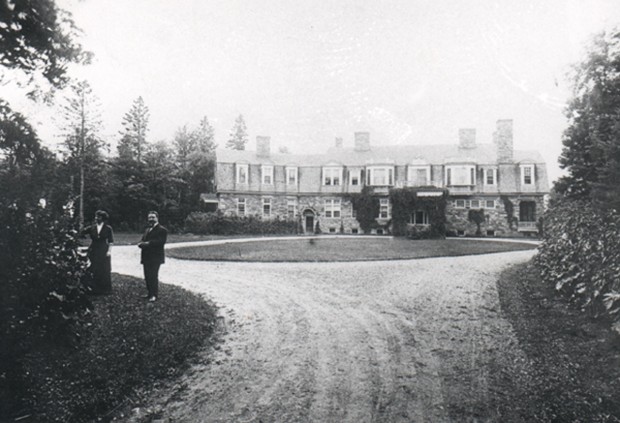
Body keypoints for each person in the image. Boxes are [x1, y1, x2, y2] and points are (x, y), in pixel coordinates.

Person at [138, 211, 167, 302]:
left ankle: (154, 294)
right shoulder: (147, 229)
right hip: (146, 256)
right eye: (149, 217)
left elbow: (160, 242)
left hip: (155, 257)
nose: (151, 219)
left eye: (153, 217)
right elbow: (143, 239)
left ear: (157, 218)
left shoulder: (162, 230)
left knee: (153, 275)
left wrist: (147, 244)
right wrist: (141, 243)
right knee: (147, 275)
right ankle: (149, 293)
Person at [83, 210, 114, 294]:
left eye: (99, 217)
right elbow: (81, 232)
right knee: (94, 268)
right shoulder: (92, 227)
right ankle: (94, 289)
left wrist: (109, 252)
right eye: (96, 216)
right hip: (94, 249)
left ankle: (105, 289)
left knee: (104, 269)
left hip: (103, 250)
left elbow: (111, 242)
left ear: (103, 218)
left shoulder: (108, 228)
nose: (96, 218)